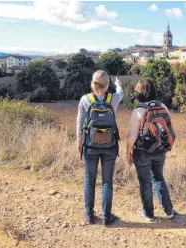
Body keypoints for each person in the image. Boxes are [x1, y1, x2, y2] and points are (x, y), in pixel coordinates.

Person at [126, 78, 177, 222]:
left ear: (140, 93)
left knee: (145, 182)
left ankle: (148, 214)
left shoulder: (138, 111)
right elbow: (168, 129)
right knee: (159, 178)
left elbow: (131, 136)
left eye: (137, 89)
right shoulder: (163, 107)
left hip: (142, 151)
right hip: (160, 149)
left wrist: (128, 153)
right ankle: (169, 211)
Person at [76, 70, 123, 225]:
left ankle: (89, 216)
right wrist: (118, 84)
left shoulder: (85, 99)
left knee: (90, 181)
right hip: (110, 146)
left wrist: (79, 140)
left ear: (93, 83)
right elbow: (121, 91)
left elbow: (80, 121)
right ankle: (106, 217)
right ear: (107, 84)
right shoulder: (114, 98)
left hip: (90, 145)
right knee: (107, 182)